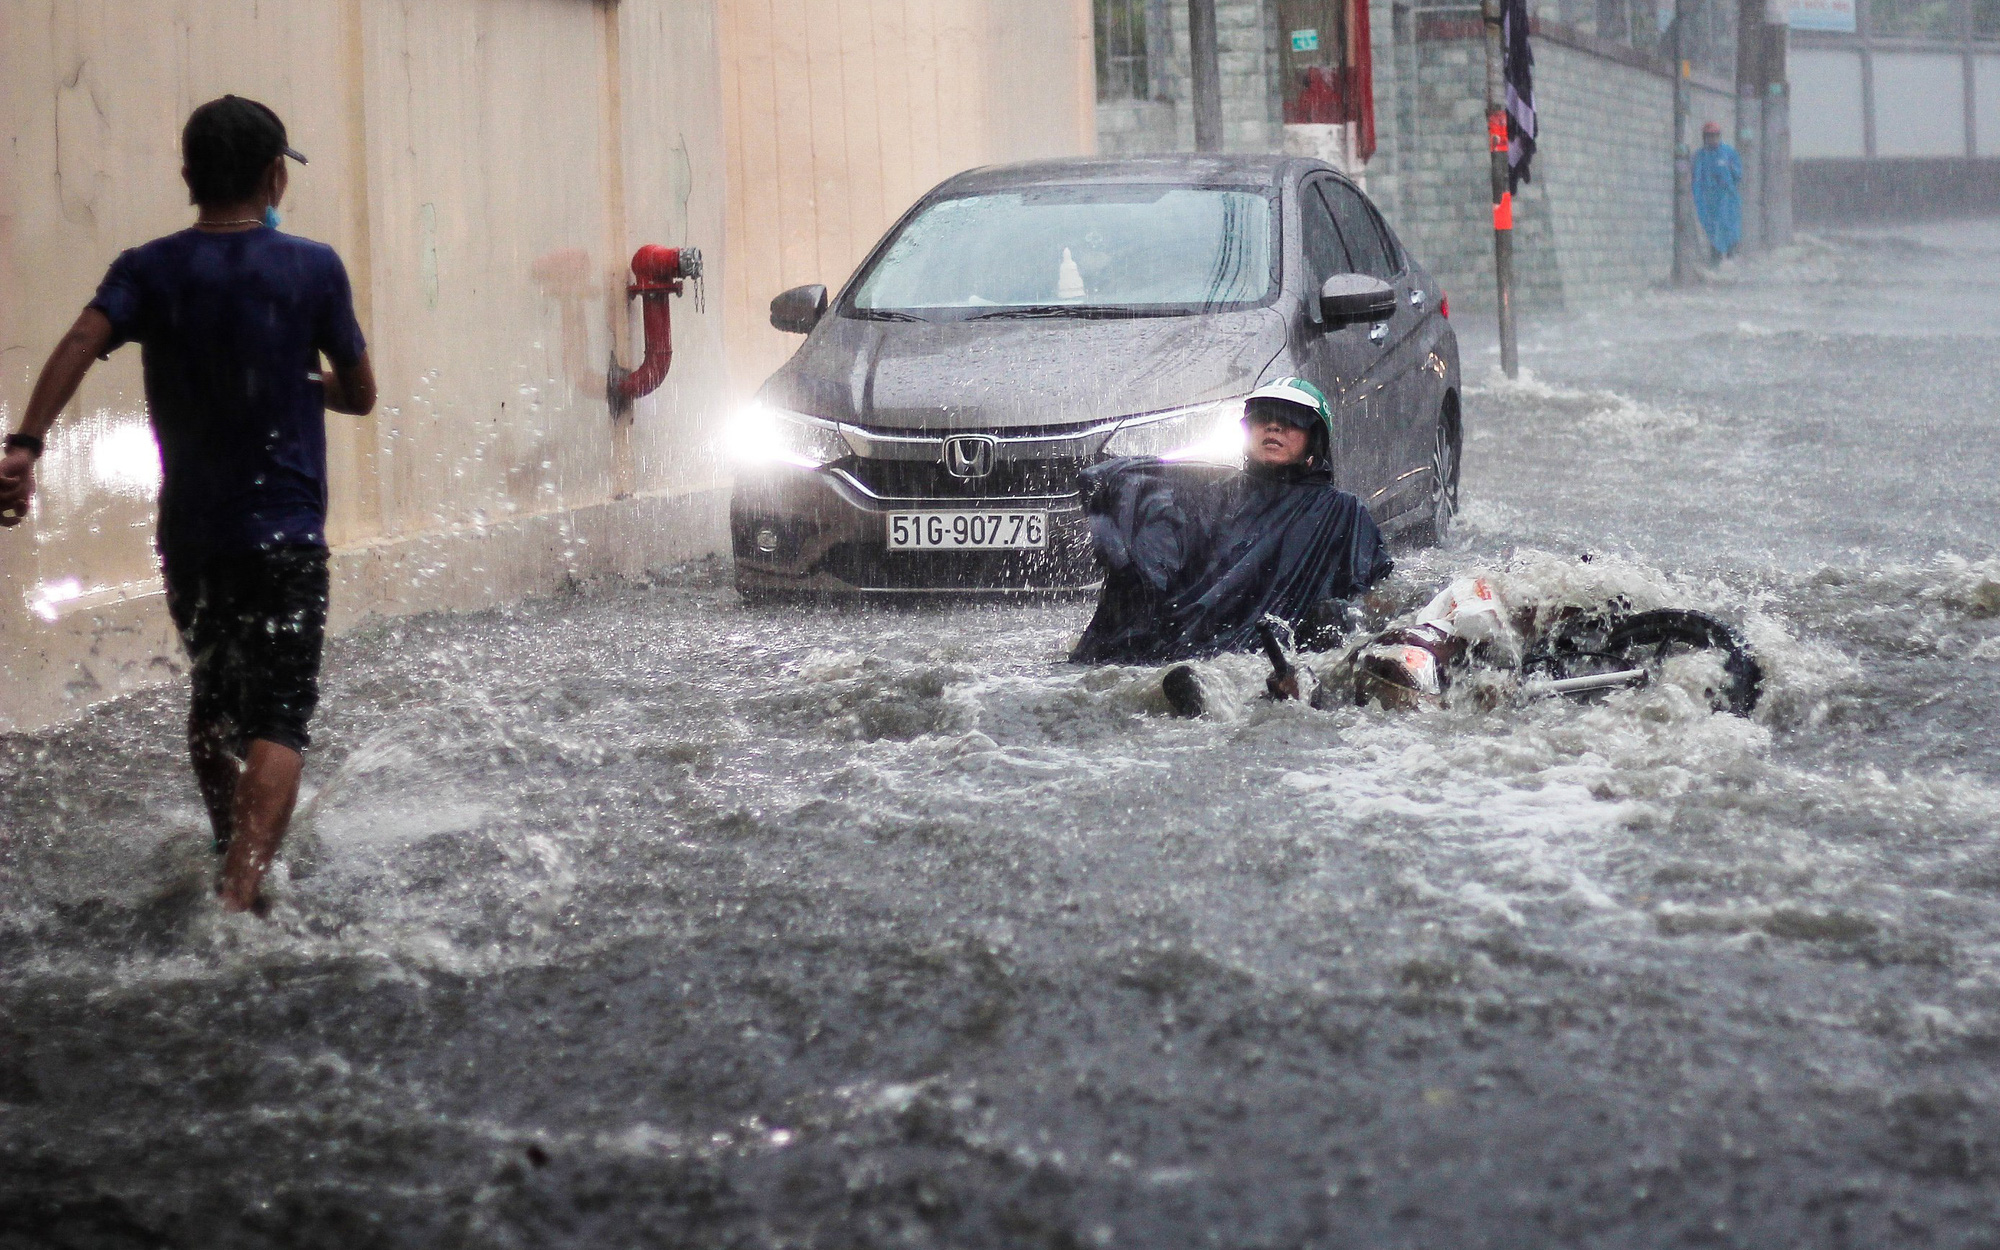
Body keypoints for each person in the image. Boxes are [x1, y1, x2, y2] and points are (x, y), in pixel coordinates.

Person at [0, 96, 376, 915]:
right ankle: (239, 897)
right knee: (279, 714)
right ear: (276, 175)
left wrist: (26, 446)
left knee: (213, 703)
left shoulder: (148, 268)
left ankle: (223, 844)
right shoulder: (314, 268)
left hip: (192, 540)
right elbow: (361, 392)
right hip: (285, 536)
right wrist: (301, 378)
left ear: (187, 176)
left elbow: (76, 342)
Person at [1069, 376, 1393, 706]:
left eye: (1289, 421)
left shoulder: (1342, 511)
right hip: (1199, 640)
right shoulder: (1212, 491)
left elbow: (1372, 595)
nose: (1273, 428)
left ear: (1314, 438)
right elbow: (1124, 487)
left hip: (1281, 650)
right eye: (1263, 418)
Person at [1691, 121, 1743, 264]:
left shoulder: (1728, 153)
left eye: (1715, 136)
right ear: (1704, 138)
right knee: (1713, 228)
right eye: (1709, 136)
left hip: (1727, 198)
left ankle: (1732, 254)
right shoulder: (1700, 156)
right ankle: (1716, 257)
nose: (1712, 139)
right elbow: (1697, 179)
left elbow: (1738, 174)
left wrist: (1730, 175)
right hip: (1709, 200)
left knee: (1729, 226)